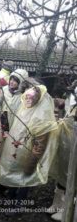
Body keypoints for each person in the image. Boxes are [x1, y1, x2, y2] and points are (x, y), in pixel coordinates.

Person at [0, 85, 58, 205]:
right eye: (26, 97)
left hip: (27, 157)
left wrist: (31, 163)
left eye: (31, 98)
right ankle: (10, 198)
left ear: (39, 100)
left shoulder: (41, 118)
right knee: (12, 175)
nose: (27, 100)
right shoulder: (24, 109)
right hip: (15, 153)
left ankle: (18, 204)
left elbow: (39, 145)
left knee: (24, 181)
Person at [48, 84, 77, 221]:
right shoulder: (71, 98)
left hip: (73, 145)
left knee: (70, 175)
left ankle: (65, 208)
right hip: (65, 141)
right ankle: (56, 203)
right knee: (61, 170)